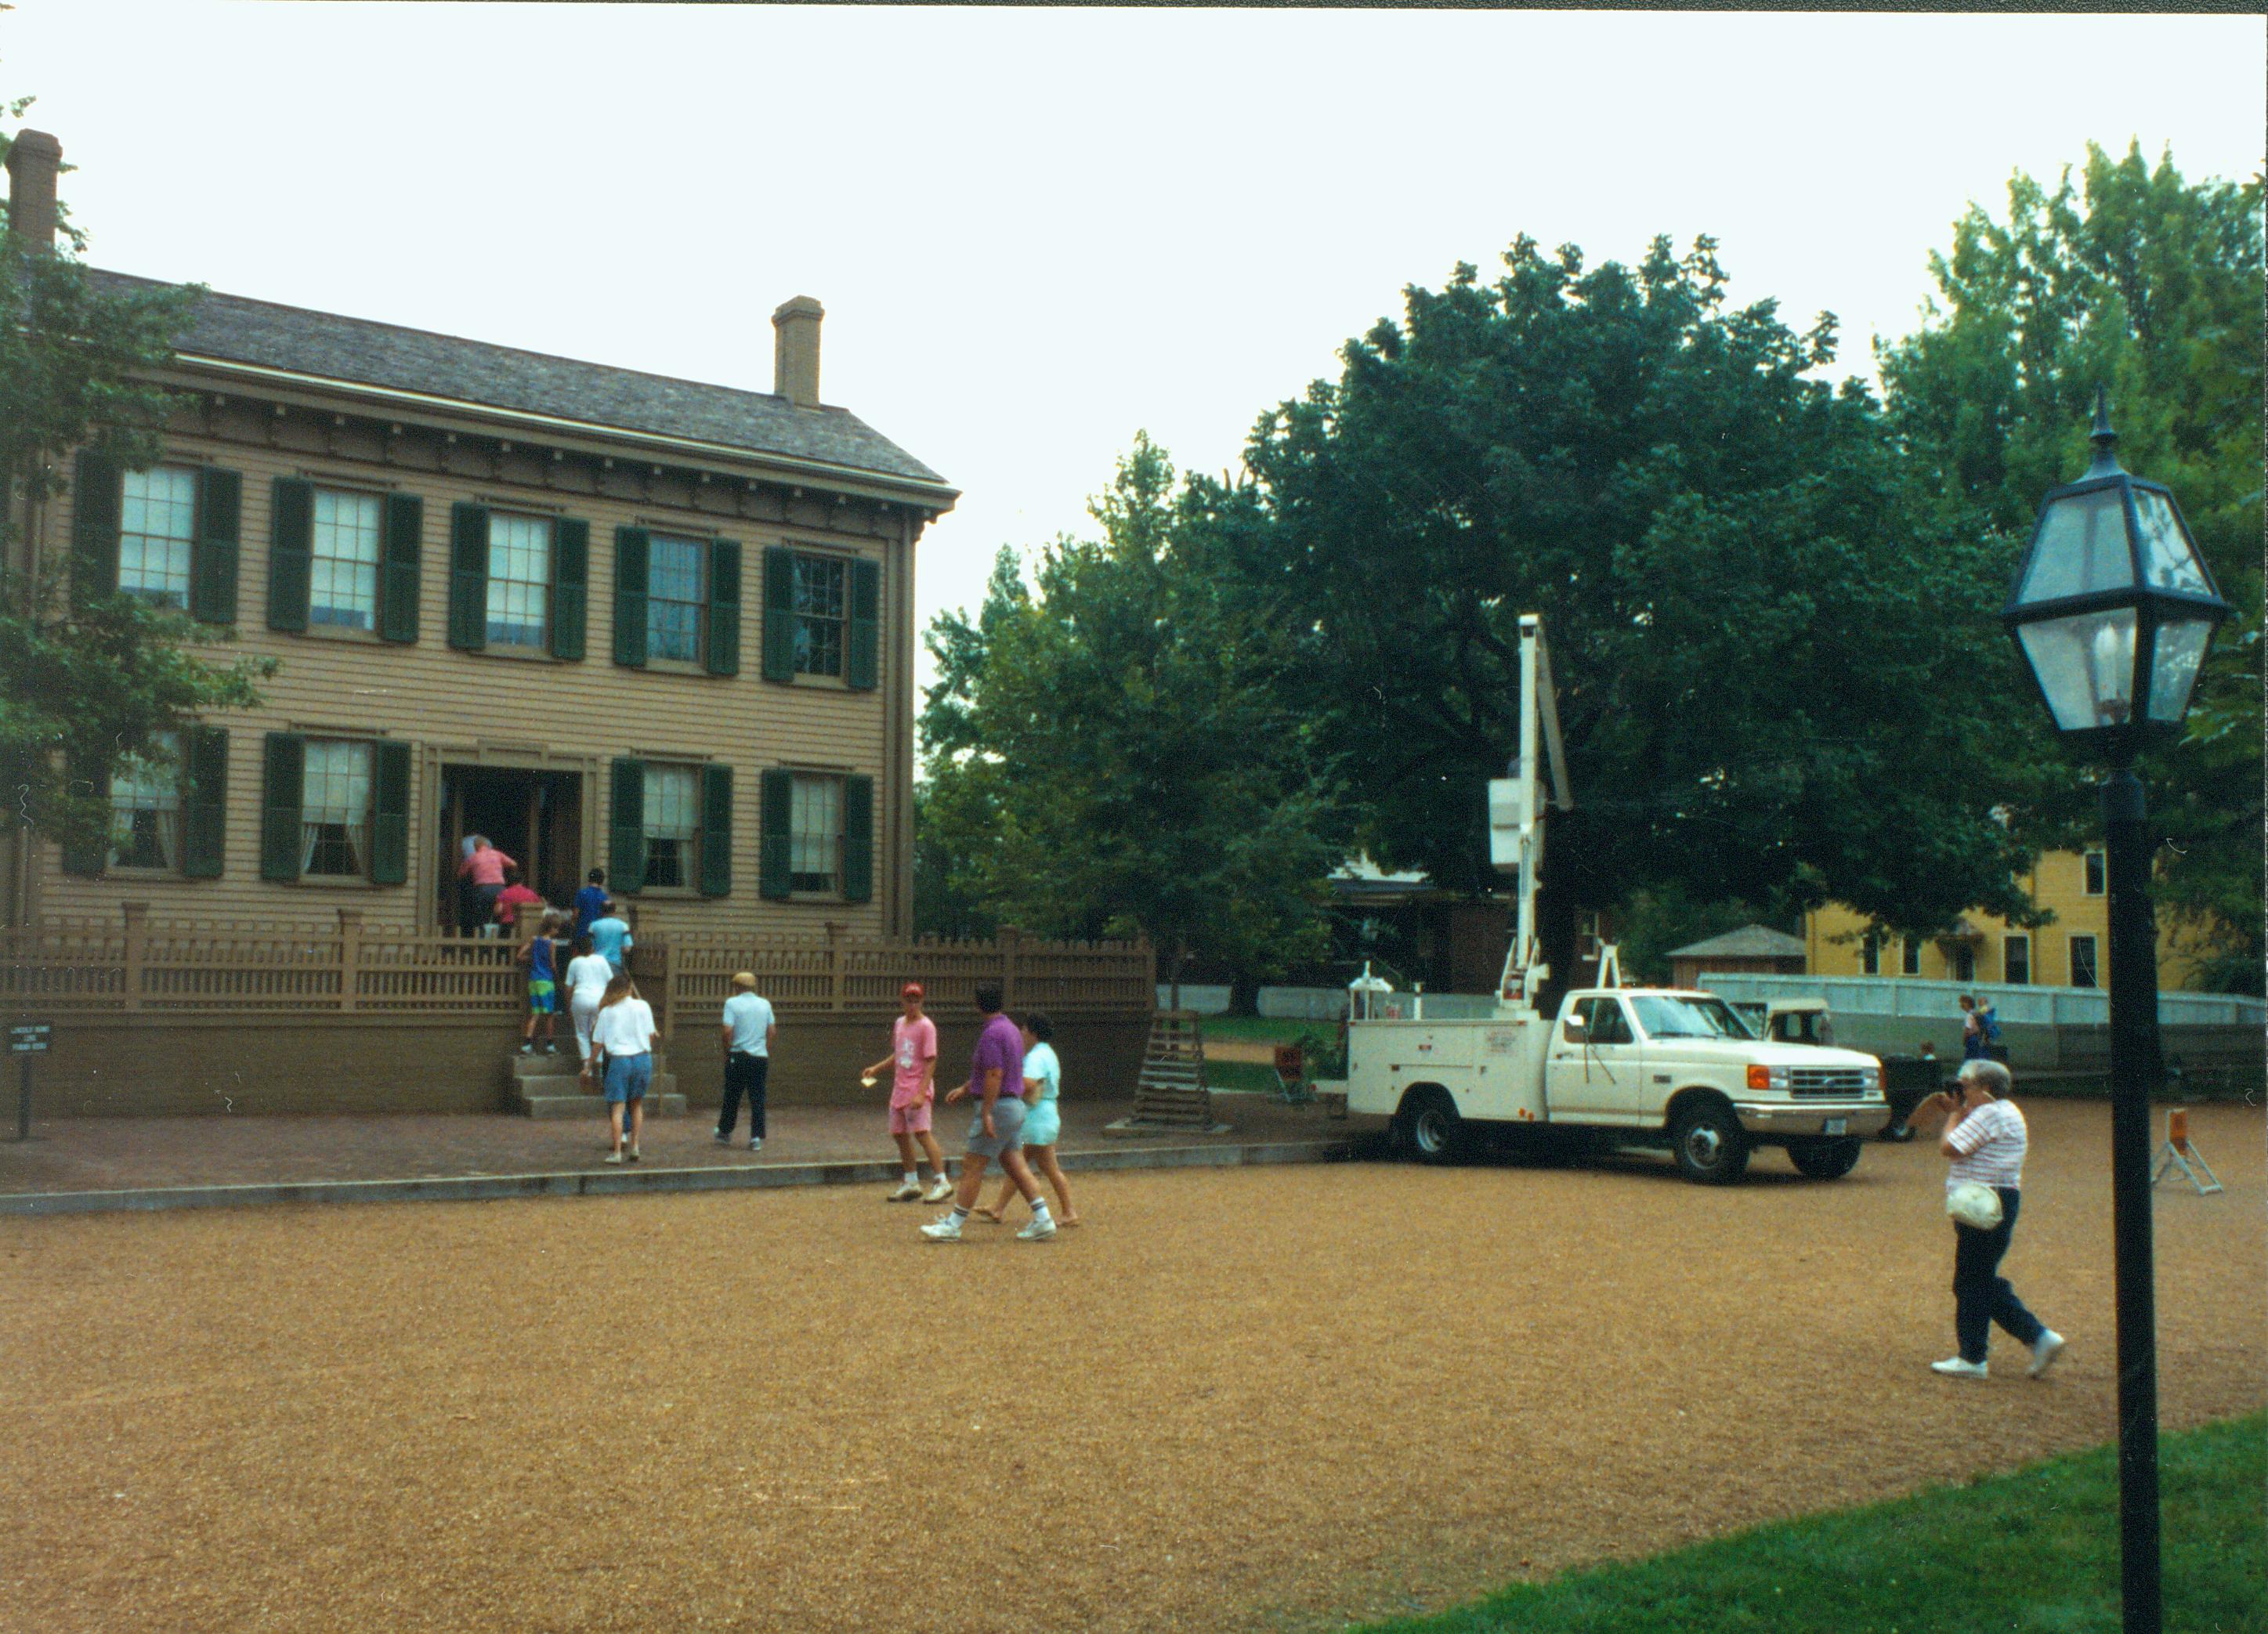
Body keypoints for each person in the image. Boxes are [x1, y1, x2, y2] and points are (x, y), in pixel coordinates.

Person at [1918, 1057, 2065, 1380]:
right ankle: (2034, 1338)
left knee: (1972, 1280)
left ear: (1983, 1089)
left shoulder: (1987, 1113)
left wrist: (1955, 1113)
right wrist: (1962, 1110)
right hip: (1999, 1199)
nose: (1959, 1091)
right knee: (1979, 1277)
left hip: (1982, 1203)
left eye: (1964, 1085)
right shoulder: (2005, 1111)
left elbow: (1950, 1147)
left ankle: (1976, 1357)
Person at [921, 983, 1054, 1242]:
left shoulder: (992, 1034)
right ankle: (1043, 1219)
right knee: (1014, 1163)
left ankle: (954, 1225)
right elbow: (996, 1072)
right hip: (1015, 1105)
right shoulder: (1013, 1031)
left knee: (973, 1164)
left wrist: (987, 1113)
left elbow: (994, 1073)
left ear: (978, 1004)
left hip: (1000, 1107)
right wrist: (965, 1088)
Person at [973, 1010, 1079, 1227]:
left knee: (1036, 1166)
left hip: (1037, 1116)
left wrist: (1008, 1086)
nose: (1021, 1032)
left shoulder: (1036, 1057)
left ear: (1032, 1032)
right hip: (1044, 1115)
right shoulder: (1047, 1053)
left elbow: (1029, 1083)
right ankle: (999, 1207)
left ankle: (1069, 1211)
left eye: (1024, 1029)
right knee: (1021, 1165)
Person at [865, 983, 952, 1204]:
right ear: (902, 1001)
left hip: (916, 1087)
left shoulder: (926, 1026)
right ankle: (911, 1181)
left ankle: (941, 1180)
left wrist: (921, 1093)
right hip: (900, 1088)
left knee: (922, 1133)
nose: (913, 1005)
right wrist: (877, 1068)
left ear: (921, 1002)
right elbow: (898, 1054)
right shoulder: (899, 1024)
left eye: (917, 1000)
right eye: (909, 1000)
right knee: (899, 1133)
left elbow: (931, 1061)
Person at [585, 970, 657, 1164]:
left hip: (619, 1059)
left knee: (618, 1107)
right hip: (643, 1058)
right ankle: (635, 1146)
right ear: (629, 989)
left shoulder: (607, 1012)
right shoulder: (643, 1006)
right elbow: (650, 1036)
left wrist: (588, 1065)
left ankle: (617, 1151)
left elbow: (598, 1044)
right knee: (636, 1104)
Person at [716, 971, 776, 1151]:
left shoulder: (732, 1004)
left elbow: (727, 1031)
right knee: (758, 1097)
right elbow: (772, 1030)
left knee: (732, 1095)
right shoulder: (765, 1004)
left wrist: (727, 1051)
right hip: (759, 1056)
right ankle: (756, 1137)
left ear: (737, 987)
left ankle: (725, 1132)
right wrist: (766, 1048)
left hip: (739, 1054)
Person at [515, 909, 569, 1054]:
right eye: (556, 928)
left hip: (533, 979)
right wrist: (558, 977)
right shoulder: (551, 944)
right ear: (551, 928)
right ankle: (550, 1044)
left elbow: (520, 955)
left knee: (536, 1013)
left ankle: (527, 1044)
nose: (557, 931)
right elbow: (553, 964)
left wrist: (532, 960)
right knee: (549, 1014)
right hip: (546, 981)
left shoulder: (534, 940)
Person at [562, 933, 613, 1065]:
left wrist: (569, 1005)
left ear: (577, 950)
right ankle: (599, 1062)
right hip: (600, 1000)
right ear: (592, 948)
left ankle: (587, 1066)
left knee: (582, 1033)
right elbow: (612, 982)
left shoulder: (574, 962)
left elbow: (568, 987)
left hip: (580, 998)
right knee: (598, 1032)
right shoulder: (601, 960)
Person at [456, 835, 516, 936]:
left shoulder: (473, 858)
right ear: (488, 845)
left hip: (482, 889)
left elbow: (461, 874)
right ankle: (499, 940)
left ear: (475, 847)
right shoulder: (497, 854)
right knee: (500, 916)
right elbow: (514, 864)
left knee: (480, 918)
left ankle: (482, 942)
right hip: (500, 889)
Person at [493, 864, 544, 932]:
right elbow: (540, 909)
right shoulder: (531, 893)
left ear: (509, 881)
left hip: (508, 925)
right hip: (527, 926)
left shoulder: (504, 893)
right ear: (522, 881)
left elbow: (498, 911)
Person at [588, 900, 634, 976]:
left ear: (601, 911)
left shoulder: (593, 926)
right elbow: (627, 949)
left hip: (597, 964)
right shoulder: (623, 925)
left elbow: (590, 948)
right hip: (615, 964)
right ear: (614, 911)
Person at [573, 868, 610, 940]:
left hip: (582, 932)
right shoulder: (604, 897)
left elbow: (576, 914)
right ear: (602, 881)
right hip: (598, 933)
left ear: (589, 879)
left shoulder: (582, 893)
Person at [1957, 994, 1986, 1061]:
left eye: (1962, 1003)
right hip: (1976, 1039)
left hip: (1971, 1040)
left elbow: (1967, 1030)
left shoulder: (1969, 1015)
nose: (1961, 1005)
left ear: (1967, 1004)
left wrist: (1964, 1040)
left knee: (1968, 1060)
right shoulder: (1976, 1014)